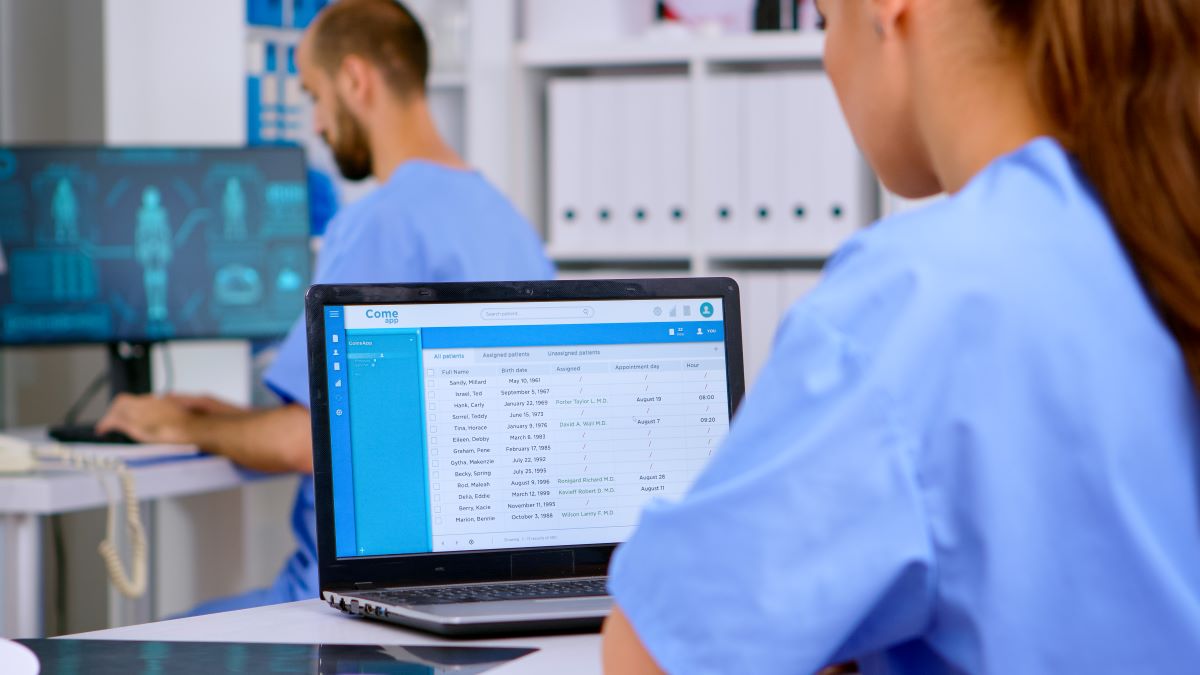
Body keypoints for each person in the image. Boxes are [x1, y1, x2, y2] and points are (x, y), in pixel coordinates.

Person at [603, 0, 1200, 672]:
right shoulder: (1162, 226)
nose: (830, 61)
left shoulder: (928, 295)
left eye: (826, 20)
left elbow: (652, 656)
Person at [96, 0, 554, 614]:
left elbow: (308, 442)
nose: (315, 124)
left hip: (356, 599)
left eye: (315, 95)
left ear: (355, 80)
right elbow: (387, 420)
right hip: (474, 586)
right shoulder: (504, 220)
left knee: (141, 643)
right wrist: (229, 419)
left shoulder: (379, 223)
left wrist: (180, 424)